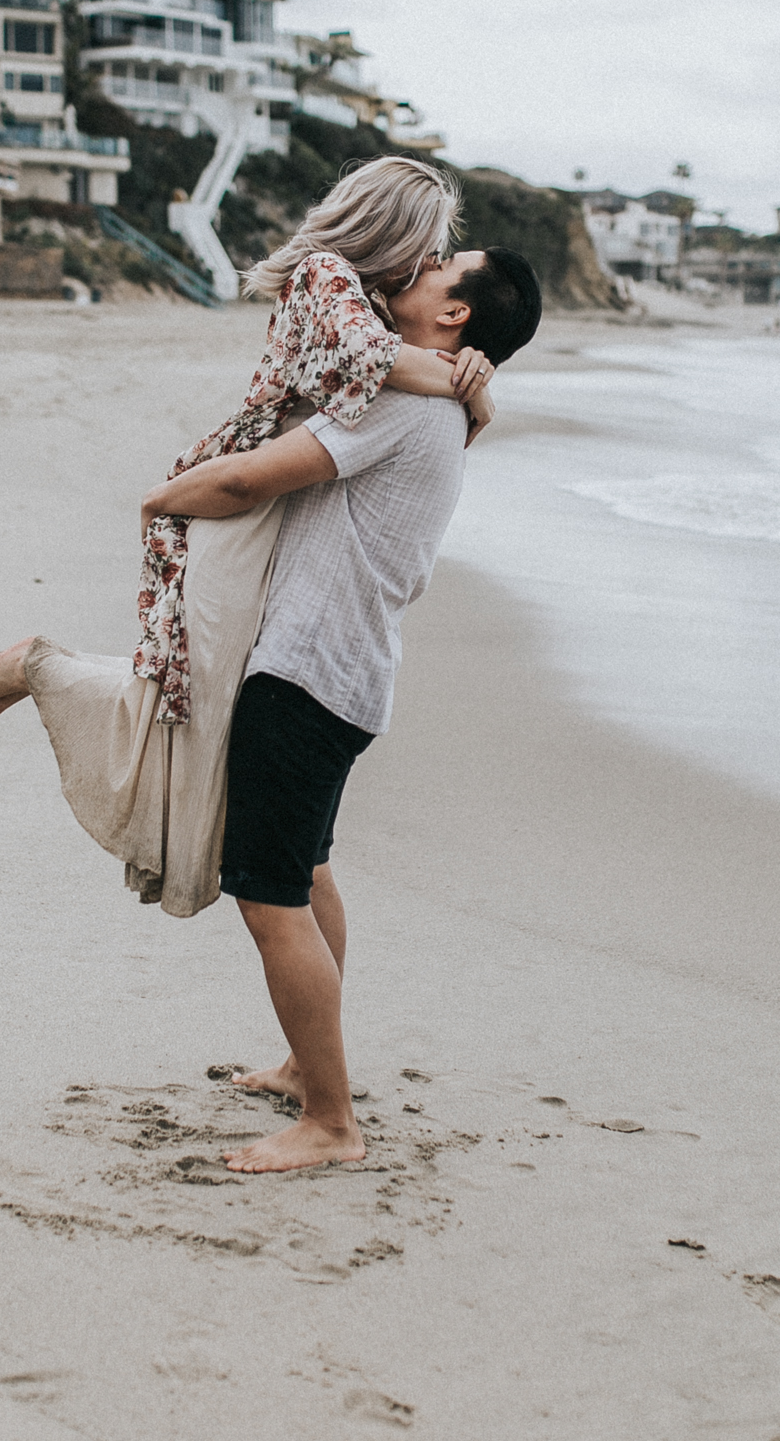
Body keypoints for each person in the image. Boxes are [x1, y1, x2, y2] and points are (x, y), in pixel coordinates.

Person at [0, 159, 500, 917]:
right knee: (190, 679)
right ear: (393, 227)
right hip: (242, 485)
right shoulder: (324, 274)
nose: (431, 262)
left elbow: (381, 377)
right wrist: (469, 385)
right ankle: (44, 674)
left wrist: (472, 384)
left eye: (442, 258)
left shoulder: (370, 300)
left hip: (277, 489)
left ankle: (49, 677)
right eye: (431, 245)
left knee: (201, 690)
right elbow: (370, 366)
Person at [134, 245, 542, 1174]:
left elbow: (249, 480)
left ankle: (329, 1121)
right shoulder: (433, 400)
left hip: (307, 676)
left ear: (456, 316)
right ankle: (301, 1068)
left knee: (268, 894)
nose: (423, 265)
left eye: (443, 267)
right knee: (308, 875)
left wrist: (162, 500)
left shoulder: (411, 403)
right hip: (344, 675)